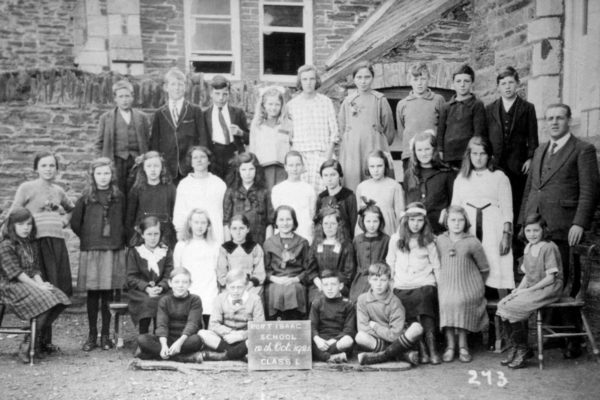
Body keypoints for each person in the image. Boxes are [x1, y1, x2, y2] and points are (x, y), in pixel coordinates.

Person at [519, 103, 600, 358]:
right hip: (538, 228)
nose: (554, 122)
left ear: (569, 121)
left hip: (565, 227)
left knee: (564, 281)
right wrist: (524, 222)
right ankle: (550, 335)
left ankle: (571, 340)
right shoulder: (541, 149)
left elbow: (589, 191)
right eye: (550, 118)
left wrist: (579, 223)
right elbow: (532, 189)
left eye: (559, 118)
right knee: (541, 278)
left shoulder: (582, 150)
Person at [9, 152, 74, 351]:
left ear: (56, 169)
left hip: (57, 244)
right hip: (36, 244)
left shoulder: (59, 191)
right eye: (44, 165)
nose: (48, 169)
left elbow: (71, 208)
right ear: (36, 168)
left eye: (52, 165)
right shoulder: (27, 188)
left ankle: (43, 340)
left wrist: (64, 220)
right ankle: (35, 341)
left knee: (62, 288)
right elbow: (13, 213)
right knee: (43, 291)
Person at [0, 208, 71, 363]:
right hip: (10, 286)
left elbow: (34, 269)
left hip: (28, 284)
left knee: (59, 297)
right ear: (12, 226)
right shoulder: (6, 245)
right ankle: (28, 345)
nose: (26, 228)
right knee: (47, 299)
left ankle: (32, 336)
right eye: (21, 225)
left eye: (29, 224)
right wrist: (38, 287)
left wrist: (42, 284)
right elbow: (16, 273)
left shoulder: (29, 244)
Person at [71, 158, 126, 351]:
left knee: (108, 294)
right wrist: (90, 237)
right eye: (99, 173)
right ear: (93, 176)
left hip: (112, 249)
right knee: (93, 293)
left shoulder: (119, 197)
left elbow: (124, 222)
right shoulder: (86, 197)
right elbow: (75, 223)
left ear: (112, 175)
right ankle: (92, 335)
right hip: (93, 249)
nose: (103, 177)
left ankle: (105, 335)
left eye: (107, 173)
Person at [497, 214, 563, 369]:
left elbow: (550, 278)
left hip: (549, 288)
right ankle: (516, 347)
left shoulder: (549, 247)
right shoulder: (528, 247)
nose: (532, 234)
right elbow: (528, 275)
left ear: (543, 231)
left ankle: (523, 350)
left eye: (536, 230)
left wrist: (528, 291)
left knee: (512, 308)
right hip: (534, 287)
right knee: (502, 304)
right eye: (528, 231)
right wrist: (518, 290)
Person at [452, 136, 514, 295]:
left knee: (496, 265)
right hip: (469, 228)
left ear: (489, 156)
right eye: (474, 154)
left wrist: (506, 235)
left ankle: (503, 311)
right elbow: (455, 208)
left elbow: (507, 209)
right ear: (469, 155)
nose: (478, 158)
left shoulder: (499, 177)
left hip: (493, 228)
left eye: (482, 154)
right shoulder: (461, 178)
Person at [386, 202, 441, 365]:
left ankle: (432, 348)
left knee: (426, 299)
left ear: (424, 222)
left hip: (424, 280)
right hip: (403, 283)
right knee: (405, 304)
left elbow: (436, 265)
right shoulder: (396, 239)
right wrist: (391, 284)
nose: (415, 224)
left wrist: (440, 286)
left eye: (419, 220)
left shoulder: (429, 240)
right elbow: (390, 262)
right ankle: (421, 347)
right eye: (412, 220)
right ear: (406, 221)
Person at [486, 67, 538, 232]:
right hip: (496, 164)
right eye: (503, 83)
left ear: (517, 84)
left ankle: (516, 242)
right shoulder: (490, 109)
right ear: (498, 87)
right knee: (496, 202)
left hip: (518, 165)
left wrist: (530, 158)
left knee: (516, 202)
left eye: (510, 83)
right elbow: (484, 138)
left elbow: (532, 137)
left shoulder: (527, 108)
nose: (507, 87)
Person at [436, 206, 489, 363]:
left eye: (460, 220)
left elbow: (484, 268)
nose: (457, 224)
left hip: (469, 285)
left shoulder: (472, 242)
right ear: (446, 222)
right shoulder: (440, 240)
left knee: (460, 300)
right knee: (446, 301)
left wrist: (475, 284)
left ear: (465, 222)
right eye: (453, 220)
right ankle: (450, 346)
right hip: (446, 284)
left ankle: (463, 346)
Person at [338, 61, 396, 190]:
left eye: (367, 77)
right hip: (354, 150)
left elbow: (389, 129)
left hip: (374, 144)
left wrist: (379, 140)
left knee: (376, 179)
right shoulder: (348, 102)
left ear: (372, 78)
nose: (363, 81)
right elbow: (342, 128)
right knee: (353, 180)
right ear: (354, 79)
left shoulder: (379, 99)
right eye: (359, 77)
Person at [355, 262, 423, 366]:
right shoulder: (362, 299)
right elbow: (363, 328)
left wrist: (375, 326)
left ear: (390, 281)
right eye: (375, 280)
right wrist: (387, 334)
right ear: (369, 280)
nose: (378, 284)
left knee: (416, 327)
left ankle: (381, 356)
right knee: (360, 336)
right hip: (386, 342)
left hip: (397, 339)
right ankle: (399, 354)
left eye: (383, 280)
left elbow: (395, 335)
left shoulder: (395, 302)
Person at [287, 64, 339, 192]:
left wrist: (328, 155)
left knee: (324, 193)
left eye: (311, 79)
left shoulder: (325, 102)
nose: (308, 83)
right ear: (300, 82)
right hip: (301, 155)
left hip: (322, 153)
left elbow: (334, 132)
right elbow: (289, 136)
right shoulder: (292, 105)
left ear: (316, 81)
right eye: (305, 79)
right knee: (302, 193)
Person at [149, 68, 206, 182]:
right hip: (168, 167)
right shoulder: (160, 113)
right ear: (166, 87)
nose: (177, 88)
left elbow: (203, 139)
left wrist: (199, 162)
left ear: (185, 87)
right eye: (173, 84)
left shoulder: (195, 110)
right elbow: (154, 142)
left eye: (180, 84)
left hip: (190, 166)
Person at [136, 267, 204, 363]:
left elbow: (192, 324)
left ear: (190, 284)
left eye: (184, 282)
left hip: (186, 339)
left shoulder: (195, 300)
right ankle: (183, 358)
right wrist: (164, 345)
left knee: (197, 340)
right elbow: (161, 324)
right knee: (142, 339)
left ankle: (154, 355)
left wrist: (179, 343)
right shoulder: (165, 300)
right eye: (176, 282)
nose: (180, 285)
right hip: (167, 339)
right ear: (170, 283)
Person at [95, 79, 150, 197]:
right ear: (115, 98)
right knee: (117, 193)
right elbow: (99, 143)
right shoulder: (106, 118)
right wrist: (103, 163)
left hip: (136, 161)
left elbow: (148, 141)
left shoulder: (142, 117)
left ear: (132, 97)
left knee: (136, 192)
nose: (124, 100)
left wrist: (144, 157)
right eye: (121, 96)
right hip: (116, 160)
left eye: (127, 96)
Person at [198, 269, 265, 361]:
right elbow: (213, 324)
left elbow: (260, 326)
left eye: (239, 287)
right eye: (232, 287)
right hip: (226, 338)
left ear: (246, 286)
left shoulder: (255, 299)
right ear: (226, 286)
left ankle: (225, 355)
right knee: (202, 333)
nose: (236, 291)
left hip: (245, 338)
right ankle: (239, 353)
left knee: (256, 340)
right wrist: (230, 333)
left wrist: (241, 335)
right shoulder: (220, 299)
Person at [173, 209, 220, 328]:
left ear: (208, 225)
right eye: (196, 222)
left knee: (210, 324)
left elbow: (217, 268)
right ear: (190, 223)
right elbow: (177, 269)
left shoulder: (214, 245)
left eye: (203, 223)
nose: (200, 226)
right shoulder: (182, 245)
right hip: (190, 288)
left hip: (209, 287)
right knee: (193, 325)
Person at [126, 216, 173, 335]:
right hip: (140, 291)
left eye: (156, 234)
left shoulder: (165, 251)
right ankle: (144, 337)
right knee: (147, 301)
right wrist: (146, 287)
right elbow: (131, 277)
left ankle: (159, 336)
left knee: (163, 300)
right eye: (149, 234)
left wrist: (161, 286)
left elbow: (169, 274)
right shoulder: (135, 252)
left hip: (162, 290)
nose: (153, 238)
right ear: (142, 235)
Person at [263, 205, 311, 320]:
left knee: (296, 290)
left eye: (288, 219)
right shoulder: (269, 243)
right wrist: (275, 279)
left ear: (294, 221)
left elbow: (308, 268)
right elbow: (265, 269)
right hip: (276, 280)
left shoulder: (302, 242)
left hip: (295, 280)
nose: (285, 223)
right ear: (276, 222)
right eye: (281, 219)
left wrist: (296, 279)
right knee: (274, 291)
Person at [395, 62, 446, 172]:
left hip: (432, 154)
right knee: (412, 186)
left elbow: (443, 128)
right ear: (410, 81)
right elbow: (401, 132)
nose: (419, 83)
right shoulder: (402, 104)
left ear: (428, 79)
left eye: (423, 79)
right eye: (415, 79)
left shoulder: (438, 100)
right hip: (410, 155)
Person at [403, 130, 455, 234]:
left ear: (434, 150)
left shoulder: (446, 173)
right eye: (420, 150)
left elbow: (452, 202)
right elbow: (407, 201)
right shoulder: (409, 174)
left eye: (427, 149)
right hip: (416, 230)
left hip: (438, 228)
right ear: (414, 152)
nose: (424, 153)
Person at [173, 146, 226, 244]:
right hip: (191, 233)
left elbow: (224, 212)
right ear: (191, 162)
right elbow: (179, 211)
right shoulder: (184, 184)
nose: (199, 160)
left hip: (215, 233)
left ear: (209, 161)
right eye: (195, 158)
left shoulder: (219, 184)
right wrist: (180, 231)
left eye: (203, 157)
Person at [438, 64, 487, 169]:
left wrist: (474, 152)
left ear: (472, 83)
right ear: (453, 84)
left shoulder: (477, 105)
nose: (462, 85)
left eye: (466, 81)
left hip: (467, 155)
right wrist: (440, 150)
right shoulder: (446, 107)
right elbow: (441, 131)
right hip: (449, 156)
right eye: (458, 81)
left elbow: (478, 133)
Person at [126, 151, 177, 248]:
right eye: (149, 166)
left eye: (156, 166)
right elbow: (130, 218)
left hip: (164, 237)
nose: (153, 170)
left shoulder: (170, 188)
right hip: (143, 237)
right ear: (143, 168)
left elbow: (174, 213)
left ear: (162, 168)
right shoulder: (137, 189)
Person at [204, 75, 250, 180]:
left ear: (229, 95)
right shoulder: (205, 114)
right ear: (211, 94)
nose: (221, 98)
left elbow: (249, 138)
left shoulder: (238, 113)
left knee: (233, 184)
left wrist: (240, 133)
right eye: (217, 93)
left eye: (225, 94)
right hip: (214, 154)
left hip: (233, 152)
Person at [307, 207, 355, 304]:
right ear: (321, 226)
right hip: (319, 285)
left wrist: (333, 286)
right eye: (326, 224)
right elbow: (310, 270)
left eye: (333, 224)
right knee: (316, 301)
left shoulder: (346, 245)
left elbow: (348, 273)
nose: (329, 227)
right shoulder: (316, 244)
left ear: (339, 225)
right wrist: (321, 285)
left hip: (339, 286)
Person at [223, 152, 274, 245]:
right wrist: (229, 247)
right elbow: (226, 222)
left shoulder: (264, 192)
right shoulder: (231, 192)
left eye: (251, 169)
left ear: (256, 170)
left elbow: (269, 223)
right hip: (237, 244)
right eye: (244, 169)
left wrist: (267, 247)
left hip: (259, 242)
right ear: (238, 171)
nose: (247, 173)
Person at [248, 86, 290, 191]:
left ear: (282, 106)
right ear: (263, 105)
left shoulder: (287, 123)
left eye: (277, 104)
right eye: (270, 104)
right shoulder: (257, 124)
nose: (273, 108)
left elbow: (292, 146)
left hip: (282, 169)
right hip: (263, 168)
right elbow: (253, 148)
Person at [309, 269, 356, 363]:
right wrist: (317, 339)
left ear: (340, 286)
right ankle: (330, 357)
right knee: (309, 341)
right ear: (321, 286)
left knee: (348, 340)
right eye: (325, 285)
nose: (329, 288)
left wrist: (333, 341)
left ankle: (324, 356)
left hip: (338, 340)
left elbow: (349, 329)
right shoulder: (317, 303)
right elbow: (312, 325)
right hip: (321, 340)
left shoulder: (348, 304)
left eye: (333, 284)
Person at [356, 150, 404, 236]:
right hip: (367, 231)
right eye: (372, 166)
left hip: (388, 229)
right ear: (367, 167)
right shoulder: (361, 187)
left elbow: (400, 214)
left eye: (379, 166)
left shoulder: (394, 186)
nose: (376, 170)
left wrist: (398, 235)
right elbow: (359, 215)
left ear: (385, 166)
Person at [349, 201, 390, 303]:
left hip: (379, 279)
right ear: (363, 221)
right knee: (356, 301)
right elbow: (352, 264)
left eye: (375, 221)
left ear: (380, 221)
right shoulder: (357, 240)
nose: (372, 225)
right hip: (360, 279)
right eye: (368, 221)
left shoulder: (386, 240)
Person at [271, 151, 316, 243]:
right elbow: (277, 214)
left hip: (303, 235)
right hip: (284, 236)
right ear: (285, 167)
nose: (294, 168)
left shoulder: (309, 189)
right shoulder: (278, 189)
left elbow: (311, 213)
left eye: (298, 165)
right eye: (291, 165)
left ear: (303, 166)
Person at [216, 214, 266, 298]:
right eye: (234, 228)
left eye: (241, 228)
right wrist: (232, 286)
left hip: (250, 286)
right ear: (230, 230)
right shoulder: (225, 249)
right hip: (231, 286)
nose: (238, 232)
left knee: (253, 299)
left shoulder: (255, 247)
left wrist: (249, 284)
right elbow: (222, 272)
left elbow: (259, 271)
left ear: (247, 229)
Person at [315, 159, 357, 239]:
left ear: (340, 176)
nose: (329, 179)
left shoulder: (348, 196)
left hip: (345, 240)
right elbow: (318, 223)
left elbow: (353, 222)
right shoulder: (321, 197)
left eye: (333, 175)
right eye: (325, 175)